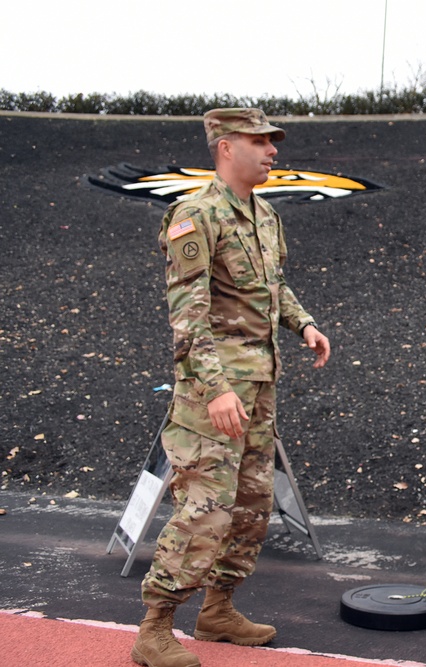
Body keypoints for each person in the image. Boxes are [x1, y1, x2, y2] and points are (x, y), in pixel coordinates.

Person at [131, 108, 331, 667]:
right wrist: (217, 388)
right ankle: (155, 627)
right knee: (206, 508)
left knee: (250, 507)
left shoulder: (264, 215)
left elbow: (274, 286)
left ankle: (217, 609)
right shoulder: (195, 215)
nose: (272, 151)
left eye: (273, 142)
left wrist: (304, 325)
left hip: (259, 387)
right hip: (210, 394)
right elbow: (187, 316)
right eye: (260, 141)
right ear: (225, 146)